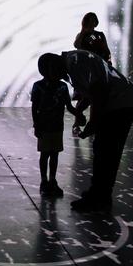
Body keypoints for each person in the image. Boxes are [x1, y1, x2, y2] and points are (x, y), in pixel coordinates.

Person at [37, 51, 133, 212]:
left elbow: (98, 93)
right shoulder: (73, 63)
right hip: (119, 102)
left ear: (53, 64)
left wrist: (92, 125)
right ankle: (98, 195)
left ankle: (100, 198)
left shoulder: (76, 64)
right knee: (103, 150)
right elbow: (91, 90)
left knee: (106, 151)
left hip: (121, 104)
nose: (54, 79)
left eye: (50, 75)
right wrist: (80, 111)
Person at [31, 56, 84, 197]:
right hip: (44, 126)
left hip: (57, 127)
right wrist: (36, 125)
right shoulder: (38, 86)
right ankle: (44, 180)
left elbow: (68, 106)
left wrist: (78, 115)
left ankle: (52, 180)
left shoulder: (62, 87)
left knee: (54, 154)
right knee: (45, 154)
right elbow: (34, 107)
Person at [71, 12, 112, 133]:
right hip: (84, 70)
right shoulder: (82, 35)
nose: (92, 23)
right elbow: (76, 45)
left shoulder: (99, 35)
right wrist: (84, 31)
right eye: (89, 20)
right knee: (82, 96)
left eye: (93, 20)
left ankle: (93, 124)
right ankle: (76, 124)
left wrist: (108, 63)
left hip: (98, 69)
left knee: (96, 97)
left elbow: (106, 50)